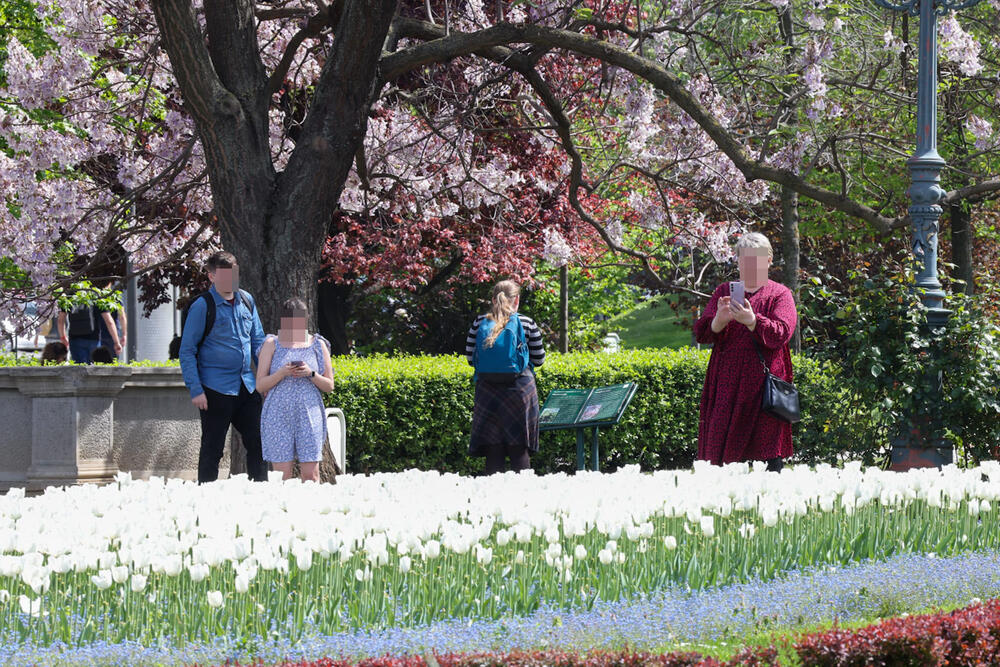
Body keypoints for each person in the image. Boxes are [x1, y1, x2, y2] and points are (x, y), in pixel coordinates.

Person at [694, 232, 798, 471]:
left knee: (766, 452)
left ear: (769, 260)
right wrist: (719, 320)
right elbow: (702, 333)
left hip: (764, 389)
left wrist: (753, 320)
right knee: (723, 454)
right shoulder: (723, 292)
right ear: (738, 261)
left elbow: (781, 333)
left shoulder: (780, 294)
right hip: (726, 385)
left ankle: (769, 503)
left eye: (757, 259)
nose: (750, 265)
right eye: (745, 259)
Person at [178, 251, 268, 483]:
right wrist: (196, 390)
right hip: (214, 389)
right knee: (212, 449)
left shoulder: (247, 300)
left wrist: (265, 377)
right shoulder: (202, 306)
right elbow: (187, 350)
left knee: (258, 443)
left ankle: (262, 494)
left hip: (246, 386)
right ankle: (206, 499)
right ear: (212, 276)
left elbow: (258, 341)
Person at [465, 280, 546, 475]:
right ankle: (524, 498)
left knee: (493, 447)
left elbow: (470, 358)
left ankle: (492, 498)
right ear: (516, 300)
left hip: (487, 390)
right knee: (519, 446)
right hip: (519, 390)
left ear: (493, 299)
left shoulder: (479, 323)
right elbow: (539, 358)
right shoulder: (526, 323)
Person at [256, 298, 335, 482]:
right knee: (282, 476)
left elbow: (329, 386)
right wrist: (282, 373)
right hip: (278, 413)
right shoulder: (271, 344)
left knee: (311, 475)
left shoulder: (318, 344)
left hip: (309, 412)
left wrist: (310, 373)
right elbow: (260, 385)